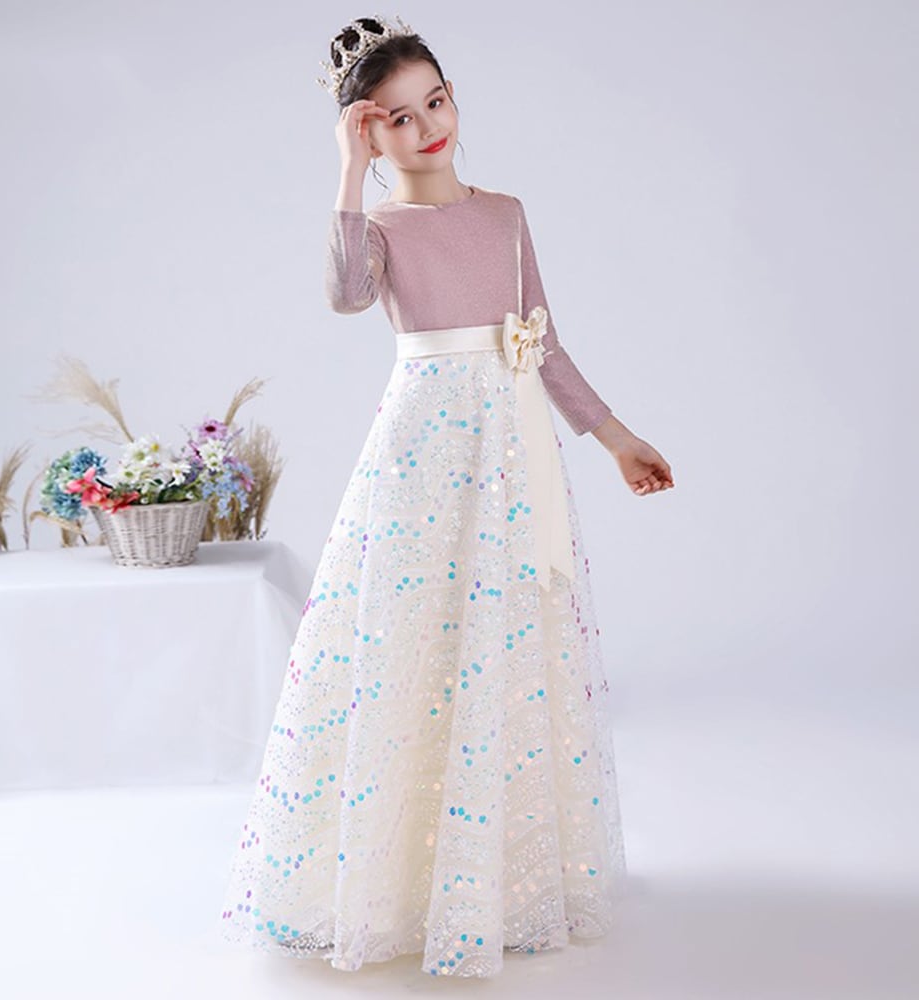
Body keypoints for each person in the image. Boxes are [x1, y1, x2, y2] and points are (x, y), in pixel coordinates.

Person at [220, 15, 674, 979]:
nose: (426, 126)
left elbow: (542, 341)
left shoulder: (505, 214)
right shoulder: (380, 228)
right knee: (412, 633)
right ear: (366, 131)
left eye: (436, 101)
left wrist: (616, 438)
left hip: (511, 447)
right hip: (423, 447)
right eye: (396, 118)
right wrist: (348, 179)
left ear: (454, 98)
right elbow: (347, 294)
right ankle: (392, 883)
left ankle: (496, 877)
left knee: (502, 636)